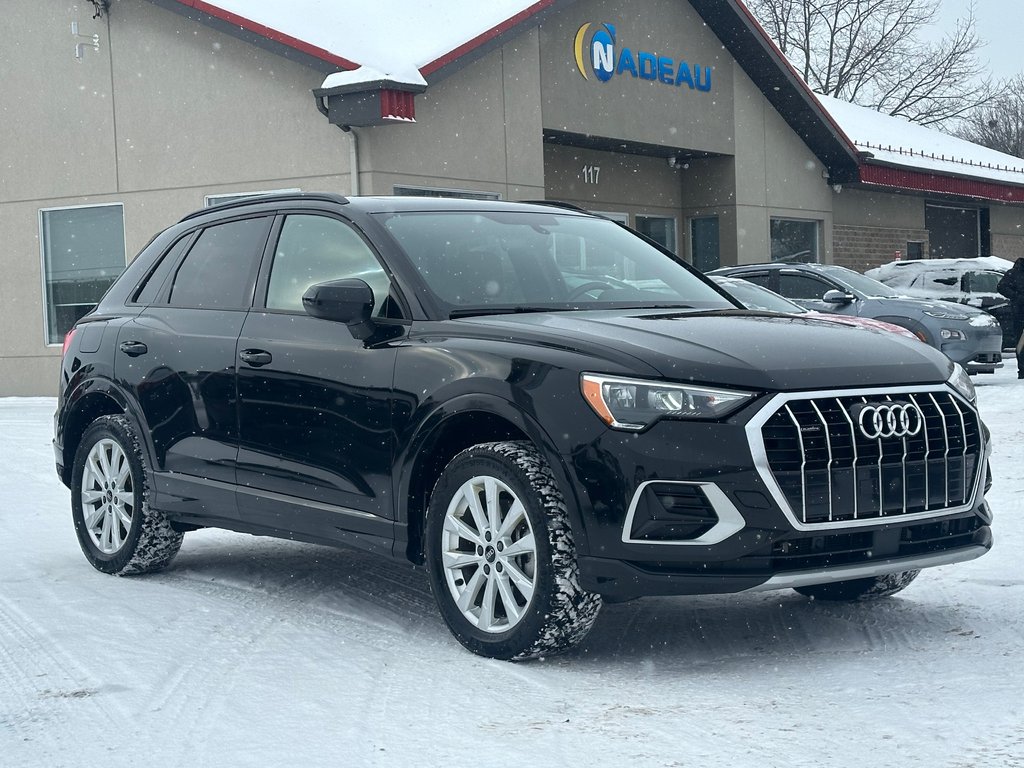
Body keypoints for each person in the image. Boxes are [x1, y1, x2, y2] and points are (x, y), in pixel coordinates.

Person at [997, 258, 1024, 379]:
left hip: (1018, 310)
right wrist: (1017, 297)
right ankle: (1022, 370)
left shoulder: (1014, 273)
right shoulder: (1014, 273)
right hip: (1019, 312)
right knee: (1021, 341)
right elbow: (1001, 287)